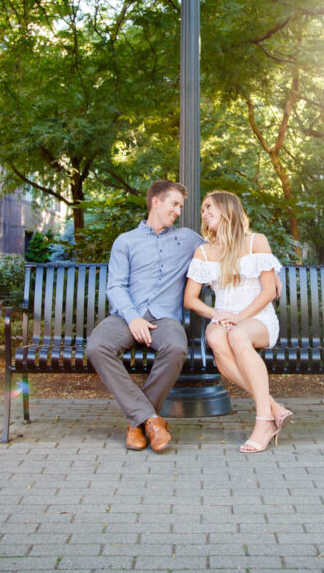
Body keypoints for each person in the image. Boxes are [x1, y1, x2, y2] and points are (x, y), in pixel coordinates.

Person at [86, 180, 203, 453]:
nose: (178, 211)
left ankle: (137, 423)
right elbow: (115, 285)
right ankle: (151, 420)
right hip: (127, 316)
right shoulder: (126, 241)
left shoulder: (187, 239)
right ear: (155, 202)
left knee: (176, 347)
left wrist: (263, 266)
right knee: (97, 346)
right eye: (174, 204)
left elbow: (222, 247)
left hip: (165, 319)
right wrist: (133, 318)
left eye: (181, 206)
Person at [183, 191, 290, 453]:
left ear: (227, 209)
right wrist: (217, 315)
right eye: (203, 209)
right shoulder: (205, 252)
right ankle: (273, 407)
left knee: (237, 336)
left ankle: (264, 420)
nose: (204, 213)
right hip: (224, 317)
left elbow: (268, 292)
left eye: (210, 208)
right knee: (216, 337)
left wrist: (239, 318)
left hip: (257, 318)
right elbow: (190, 299)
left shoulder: (256, 242)